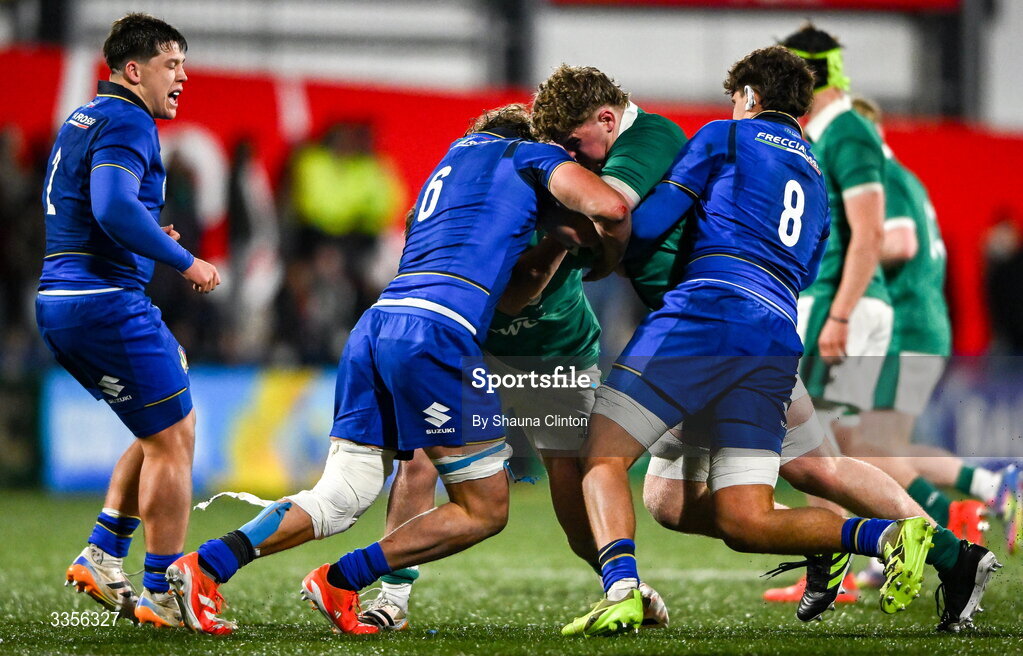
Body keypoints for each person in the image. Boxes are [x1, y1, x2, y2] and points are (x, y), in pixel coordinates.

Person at [563, 46, 999, 637]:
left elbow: (648, 225)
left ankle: (621, 589)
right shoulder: (817, 177)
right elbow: (807, 263)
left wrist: (587, 240)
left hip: (706, 317)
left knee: (602, 455)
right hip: (772, 335)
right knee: (754, 506)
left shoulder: (725, 137)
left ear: (747, 97)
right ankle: (931, 548)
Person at [164, 104, 631, 635]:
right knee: (485, 509)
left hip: (378, 325)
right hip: (439, 334)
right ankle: (342, 578)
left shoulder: (448, 166)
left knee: (342, 496)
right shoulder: (529, 155)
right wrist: (604, 241)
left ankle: (203, 567)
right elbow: (609, 207)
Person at [356, 65, 686, 632]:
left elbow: (607, 227)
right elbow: (511, 296)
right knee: (416, 466)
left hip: (553, 354)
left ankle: (618, 583)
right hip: (473, 350)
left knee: (569, 482)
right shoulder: (478, 209)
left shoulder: (565, 194)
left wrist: (572, 242)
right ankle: (390, 595)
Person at [38, 13, 220, 627]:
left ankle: (104, 552)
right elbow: (113, 206)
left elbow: (99, 212)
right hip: (104, 301)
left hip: (67, 300)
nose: (183, 77)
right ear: (134, 70)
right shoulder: (128, 119)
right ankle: (163, 590)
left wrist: (144, 238)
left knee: (163, 426)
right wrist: (184, 258)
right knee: (177, 440)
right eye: (173, 65)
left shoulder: (86, 117)